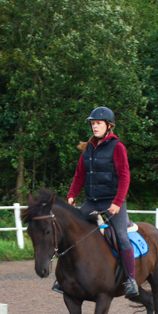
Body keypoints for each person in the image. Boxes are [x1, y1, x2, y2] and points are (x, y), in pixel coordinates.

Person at [53, 106, 139, 297]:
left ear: (109, 126)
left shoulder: (117, 147)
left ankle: (131, 280)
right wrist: (71, 195)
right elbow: (79, 176)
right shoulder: (88, 148)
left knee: (121, 237)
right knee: (70, 231)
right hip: (91, 201)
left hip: (112, 202)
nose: (95, 126)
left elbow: (124, 177)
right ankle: (64, 278)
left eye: (98, 123)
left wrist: (118, 202)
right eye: (93, 123)